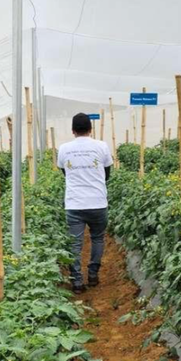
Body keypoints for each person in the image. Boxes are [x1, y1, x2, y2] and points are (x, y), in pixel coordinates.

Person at [56, 113, 113, 291]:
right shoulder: (101, 146)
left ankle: (77, 282)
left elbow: (65, 172)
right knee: (97, 238)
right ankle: (93, 273)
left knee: (75, 243)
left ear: (73, 130)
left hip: (74, 204)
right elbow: (107, 174)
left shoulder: (64, 148)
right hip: (97, 202)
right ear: (91, 129)